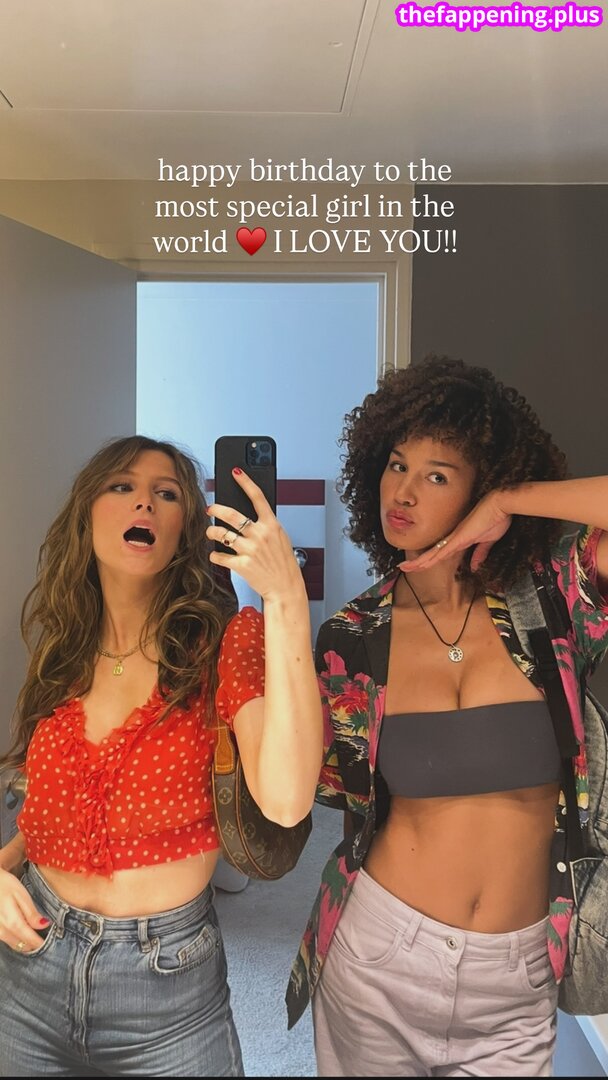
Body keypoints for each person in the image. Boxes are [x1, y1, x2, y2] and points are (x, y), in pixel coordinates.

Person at [286, 355, 608, 1077]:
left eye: (438, 475)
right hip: (378, 957)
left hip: (519, 976)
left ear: (482, 486)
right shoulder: (351, 635)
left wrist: (514, 500)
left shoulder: (552, 599)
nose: (402, 491)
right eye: (396, 464)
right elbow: (319, 796)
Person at [0, 434, 321, 1078]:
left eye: (166, 494)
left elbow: (287, 801)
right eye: (122, 486)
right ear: (87, 515)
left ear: (185, 529)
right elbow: (53, 808)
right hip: (28, 970)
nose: (143, 502)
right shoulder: (62, 649)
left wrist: (285, 600)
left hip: (168, 995)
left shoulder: (226, 644)